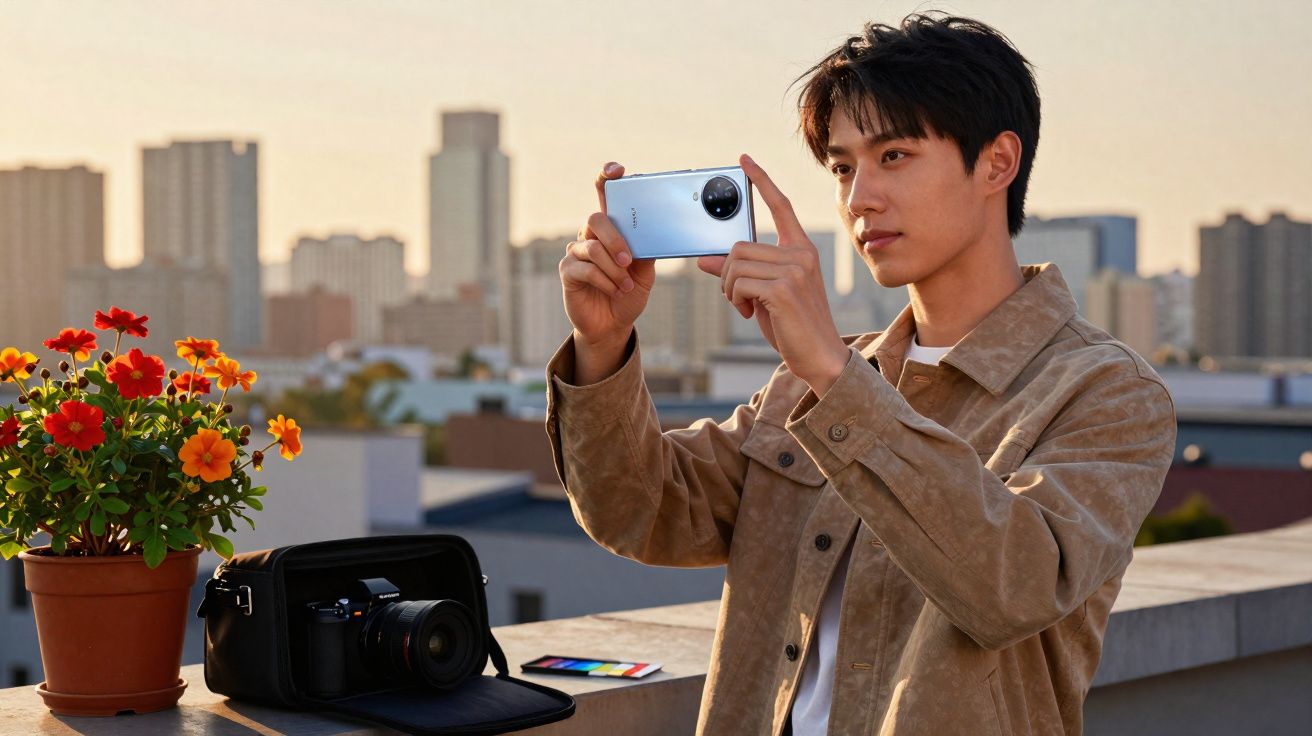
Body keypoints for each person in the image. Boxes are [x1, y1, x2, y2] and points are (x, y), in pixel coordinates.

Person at [545, 12, 1177, 735]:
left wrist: (833, 374)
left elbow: (1016, 587)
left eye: (895, 156)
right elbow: (641, 513)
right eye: (843, 167)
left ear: (997, 163)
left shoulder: (1104, 391)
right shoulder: (809, 382)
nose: (858, 198)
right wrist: (602, 344)